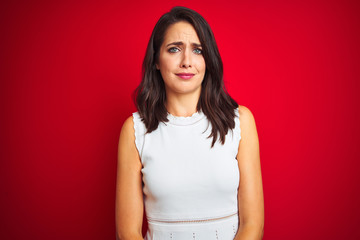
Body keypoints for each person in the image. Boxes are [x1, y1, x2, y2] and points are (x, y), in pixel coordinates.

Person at [116, 6, 264, 240]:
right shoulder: (135, 130)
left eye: (197, 50)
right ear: (156, 60)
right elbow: (127, 233)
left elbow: (253, 225)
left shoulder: (240, 121)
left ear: (208, 60)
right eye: (174, 49)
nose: (186, 61)